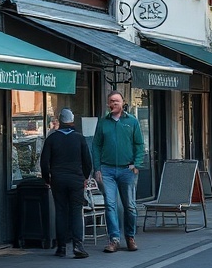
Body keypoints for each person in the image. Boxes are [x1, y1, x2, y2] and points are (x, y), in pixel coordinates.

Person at [92, 91, 145, 253]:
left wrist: (136, 165)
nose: (114, 103)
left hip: (127, 169)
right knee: (110, 205)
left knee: (129, 205)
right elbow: (96, 146)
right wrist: (97, 168)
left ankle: (130, 237)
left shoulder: (132, 121)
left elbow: (139, 145)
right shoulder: (103, 123)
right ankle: (114, 239)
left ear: (123, 103)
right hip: (107, 170)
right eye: (111, 101)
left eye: (116, 101)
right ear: (108, 104)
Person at [40, 108, 93, 258]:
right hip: (76, 179)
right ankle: (78, 246)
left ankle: (61, 247)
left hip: (58, 179)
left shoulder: (52, 138)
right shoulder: (79, 138)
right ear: (72, 120)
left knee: (61, 211)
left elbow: (44, 162)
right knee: (76, 212)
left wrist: (47, 179)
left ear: (60, 121)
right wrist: (85, 177)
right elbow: (87, 161)